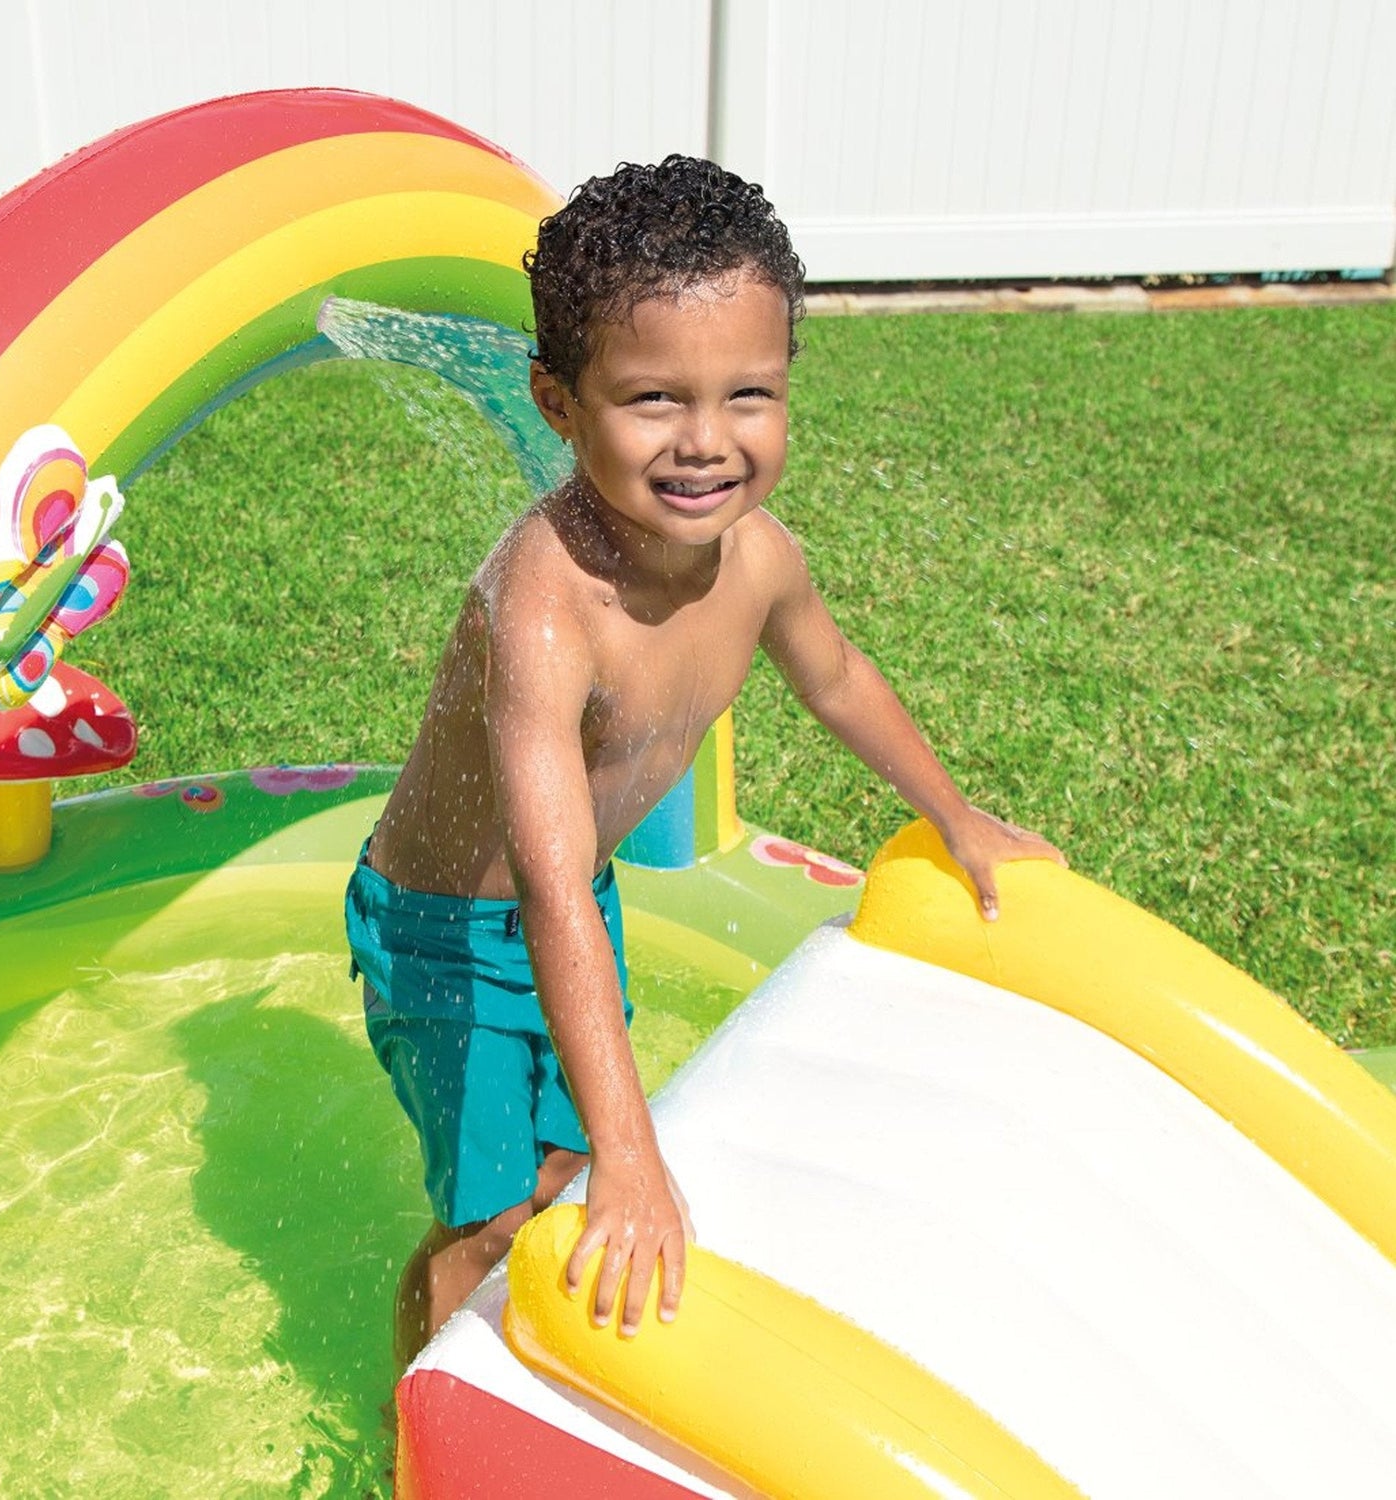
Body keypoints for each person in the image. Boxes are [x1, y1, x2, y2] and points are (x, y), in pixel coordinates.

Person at [346, 154, 1064, 1372]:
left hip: (575, 902)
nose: (705, 442)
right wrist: (639, 1154)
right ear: (558, 402)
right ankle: (413, 1419)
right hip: (447, 930)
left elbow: (836, 678)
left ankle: (534, 1363)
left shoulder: (761, 560)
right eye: (653, 400)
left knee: (570, 1164)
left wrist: (957, 815)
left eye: (748, 395)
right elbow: (546, 886)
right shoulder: (545, 609)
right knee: (491, 1214)